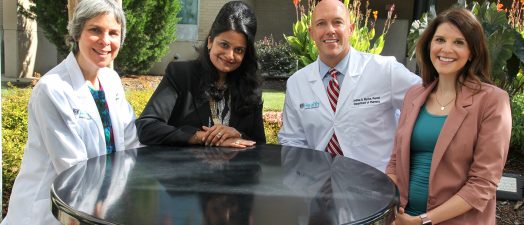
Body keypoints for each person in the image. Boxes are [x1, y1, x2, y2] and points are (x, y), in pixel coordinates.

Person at [1, 0, 141, 224]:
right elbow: (72, 166)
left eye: (114, 33)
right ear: (77, 34)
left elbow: (130, 146)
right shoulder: (53, 89)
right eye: (95, 30)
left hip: (100, 204)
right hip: (48, 211)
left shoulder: (111, 80)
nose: (105, 41)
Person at [386, 8, 512, 225]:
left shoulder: (493, 101)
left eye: (459, 42)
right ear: (429, 46)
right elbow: (395, 162)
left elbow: (483, 183)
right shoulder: (414, 95)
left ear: (472, 51)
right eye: (440, 40)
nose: (446, 49)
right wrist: (392, 208)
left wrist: (423, 221)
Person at [278, 0, 420, 171]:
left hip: (376, 186)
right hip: (319, 188)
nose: (330, 30)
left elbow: (427, 101)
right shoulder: (297, 83)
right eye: (321, 24)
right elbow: (292, 141)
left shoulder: (385, 70)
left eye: (337, 22)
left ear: (351, 29)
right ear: (312, 33)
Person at [136, 1, 265, 148]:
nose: (230, 55)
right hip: (185, 169)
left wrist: (237, 134)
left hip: (235, 170)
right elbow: (146, 127)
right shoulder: (181, 75)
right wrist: (199, 137)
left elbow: (259, 144)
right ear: (210, 41)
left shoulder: (251, 88)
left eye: (239, 50)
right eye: (224, 45)